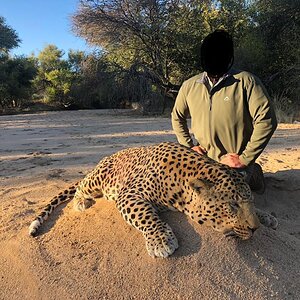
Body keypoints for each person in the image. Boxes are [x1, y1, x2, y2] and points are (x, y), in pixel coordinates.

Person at [171, 29, 277, 193]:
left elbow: (267, 121)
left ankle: (254, 173)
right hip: (202, 160)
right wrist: (189, 147)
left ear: (228, 57)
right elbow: (177, 117)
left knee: (226, 196)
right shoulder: (189, 86)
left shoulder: (246, 82)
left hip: (234, 161)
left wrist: (244, 158)